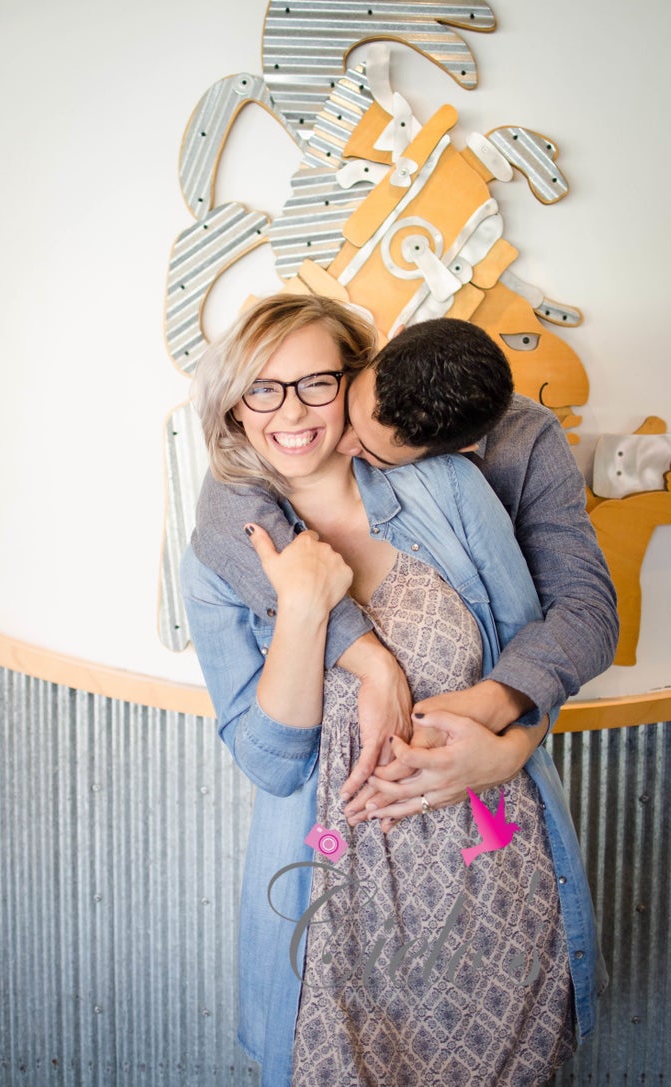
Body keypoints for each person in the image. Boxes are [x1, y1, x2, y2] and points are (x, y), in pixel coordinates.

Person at [181, 294, 606, 1086]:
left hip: (493, 891)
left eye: (317, 382)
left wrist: (508, 738)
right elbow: (272, 765)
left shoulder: (453, 481)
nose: (294, 410)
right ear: (234, 406)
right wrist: (312, 616)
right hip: (334, 915)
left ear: (358, 373)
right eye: (261, 388)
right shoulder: (223, 545)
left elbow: (542, 636)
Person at [190, 311, 619, 817]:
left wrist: (511, 735)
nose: (339, 439)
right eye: (262, 390)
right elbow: (226, 495)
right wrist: (367, 656)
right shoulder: (243, 503)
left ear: (451, 453)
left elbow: (579, 612)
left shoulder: (482, 468)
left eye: (370, 449)